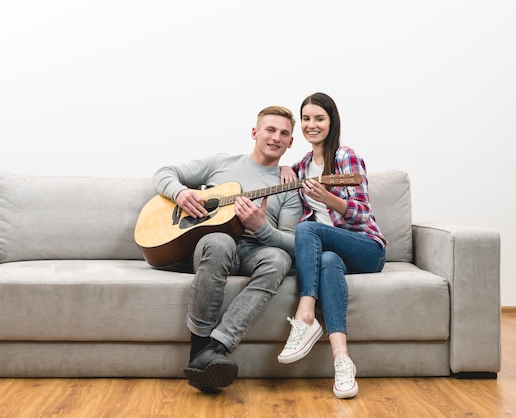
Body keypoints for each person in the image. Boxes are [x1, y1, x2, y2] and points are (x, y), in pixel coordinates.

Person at [153, 106, 304, 394]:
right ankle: (200, 350)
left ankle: (215, 350)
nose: (276, 137)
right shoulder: (222, 163)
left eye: (284, 133)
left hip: (254, 252)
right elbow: (165, 173)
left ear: (290, 142)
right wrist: (181, 192)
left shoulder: (288, 185)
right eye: (270, 130)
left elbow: (292, 243)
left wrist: (262, 228)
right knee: (220, 241)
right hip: (212, 246)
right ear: (254, 132)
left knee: (278, 258)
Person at [276, 92, 388, 399]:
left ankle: (305, 315)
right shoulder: (302, 166)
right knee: (325, 261)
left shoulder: (344, 156)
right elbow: (287, 175)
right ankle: (342, 362)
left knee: (308, 228)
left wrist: (330, 199)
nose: (312, 125)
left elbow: (363, 213)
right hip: (332, 253)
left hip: (366, 247)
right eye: (307, 119)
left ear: (331, 121)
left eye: (319, 119)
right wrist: (285, 169)